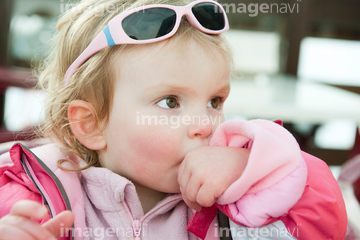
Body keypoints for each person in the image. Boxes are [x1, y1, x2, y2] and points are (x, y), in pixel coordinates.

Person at [0, 0, 347, 239]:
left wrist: (257, 169)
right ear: (91, 124)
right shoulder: (31, 195)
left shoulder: (233, 198)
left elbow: (325, 226)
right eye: (170, 101)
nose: (206, 124)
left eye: (214, 100)